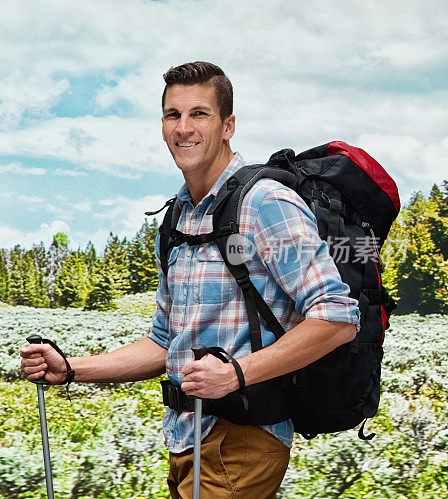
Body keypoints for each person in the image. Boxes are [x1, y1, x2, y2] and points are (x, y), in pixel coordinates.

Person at [20, 61, 360, 498]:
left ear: (228, 125)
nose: (184, 128)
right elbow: (164, 343)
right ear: (162, 126)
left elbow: (336, 317)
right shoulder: (178, 219)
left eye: (199, 113)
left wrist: (235, 374)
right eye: (172, 115)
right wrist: (70, 369)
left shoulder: (266, 203)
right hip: (185, 439)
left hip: (243, 438)